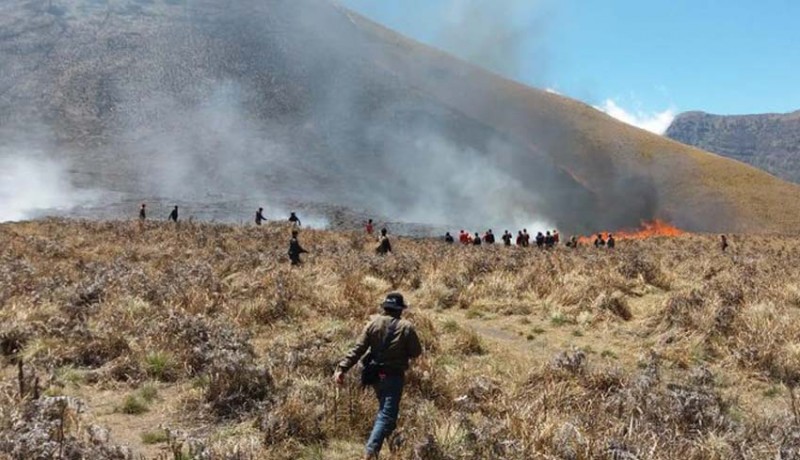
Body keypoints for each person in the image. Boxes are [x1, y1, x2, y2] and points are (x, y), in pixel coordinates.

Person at [333, 293, 423, 460]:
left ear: (385, 307)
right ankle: (370, 452)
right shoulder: (406, 327)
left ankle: (395, 448)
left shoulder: (373, 324)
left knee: (386, 412)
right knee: (386, 414)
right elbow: (416, 352)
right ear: (400, 309)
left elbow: (358, 349)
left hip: (375, 376)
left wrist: (342, 368)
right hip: (393, 377)